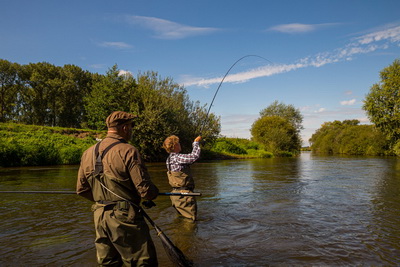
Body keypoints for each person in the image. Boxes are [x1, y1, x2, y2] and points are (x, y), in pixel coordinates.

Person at [76, 111, 159, 266]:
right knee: (142, 263)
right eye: (131, 126)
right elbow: (145, 191)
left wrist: (104, 200)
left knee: (108, 263)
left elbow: (81, 189)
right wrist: (154, 193)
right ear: (125, 128)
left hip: (99, 215)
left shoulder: (87, 153)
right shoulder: (128, 150)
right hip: (125, 217)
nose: (132, 130)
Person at [162, 135, 202, 221]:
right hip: (184, 196)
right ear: (175, 145)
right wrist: (196, 143)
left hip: (175, 196)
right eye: (178, 143)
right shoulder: (177, 158)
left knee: (181, 220)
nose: (180, 144)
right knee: (190, 223)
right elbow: (194, 156)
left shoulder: (169, 159)